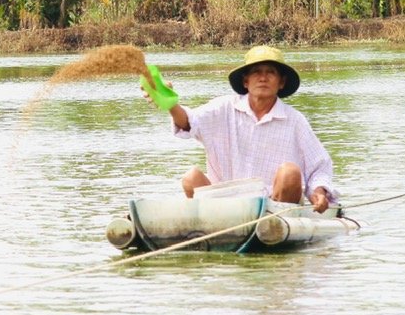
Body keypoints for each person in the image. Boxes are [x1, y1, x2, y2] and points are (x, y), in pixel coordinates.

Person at [142, 45, 337, 212]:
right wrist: (170, 104)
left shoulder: (295, 120)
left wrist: (318, 193)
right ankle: (215, 228)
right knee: (190, 178)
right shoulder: (223, 108)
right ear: (246, 81)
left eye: (271, 72)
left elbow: (320, 165)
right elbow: (189, 122)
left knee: (290, 172)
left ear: (281, 82)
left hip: (276, 207)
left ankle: (274, 229)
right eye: (256, 72)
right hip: (227, 207)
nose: (263, 78)